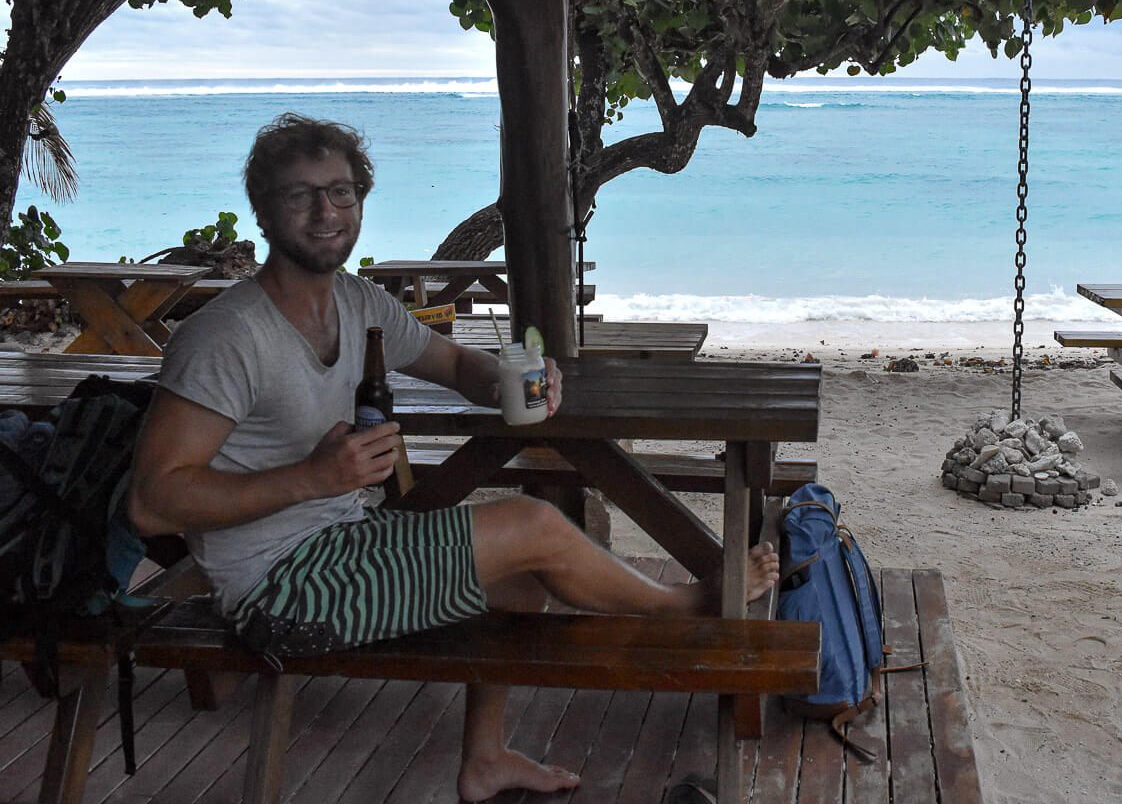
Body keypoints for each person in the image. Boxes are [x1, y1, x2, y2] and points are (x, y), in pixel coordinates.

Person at [127, 114, 778, 801]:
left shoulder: (358, 303)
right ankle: (683, 608)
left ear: (360, 202)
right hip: (274, 591)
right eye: (301, 195)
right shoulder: (225, 338)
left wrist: (516, 382)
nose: (326, 212)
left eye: (342, 193)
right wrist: (310, 478)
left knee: (520, 584)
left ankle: (484, 758)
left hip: (343, 543)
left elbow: (457, 366)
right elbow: (153, 501)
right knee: (533, 525)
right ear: (264, 209)